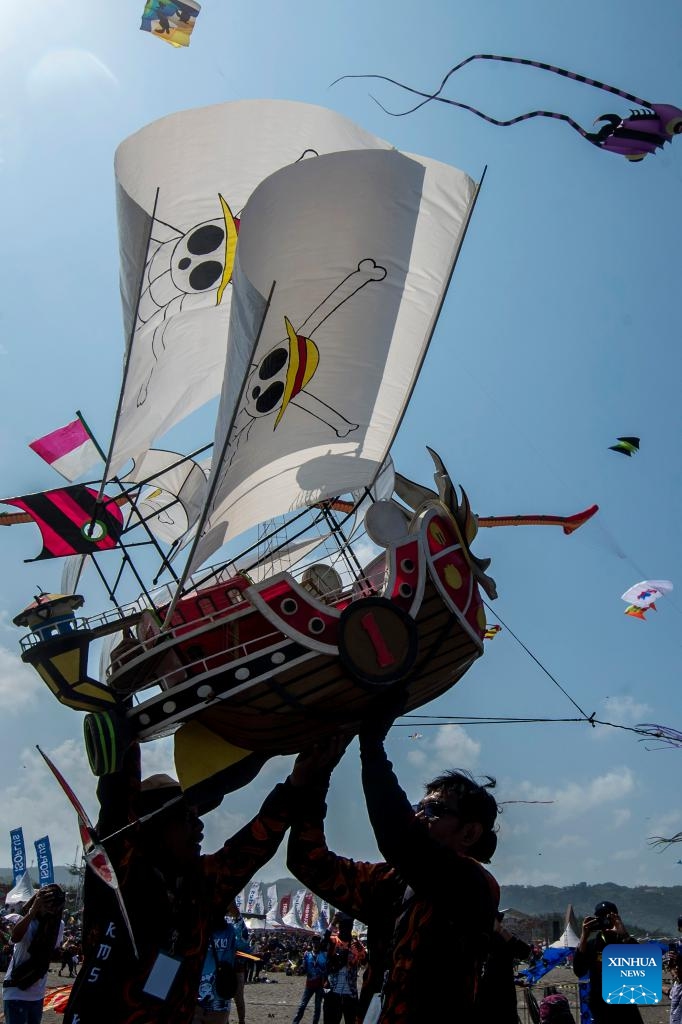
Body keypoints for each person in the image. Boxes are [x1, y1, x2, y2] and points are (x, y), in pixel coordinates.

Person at [63, 741, 319, 1024]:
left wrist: (297, 783)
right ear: (151, 825)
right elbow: (116, 800)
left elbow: (249, 848)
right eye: (186, 817)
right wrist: (122, 717)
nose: (199, 827)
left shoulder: (197, 887)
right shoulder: (116, 873)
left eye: (197, 817)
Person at [287, 723, 500, 1024]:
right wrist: (313, 779)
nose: (418, 816)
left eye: (434, 810)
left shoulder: (474, 886)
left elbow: (400, 838)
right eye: (418, 807)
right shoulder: (391, 881)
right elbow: (307, 861)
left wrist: (372, 748)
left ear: (469, 833)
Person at [3, 884, 66, 1024]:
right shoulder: (26, 921)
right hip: (16, 991)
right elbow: (15, 937)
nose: (50, 908)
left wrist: (63, 952)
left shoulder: (58, 925)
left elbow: (53, 953)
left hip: (37, 994)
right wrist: (32, 911)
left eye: (54, 905)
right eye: (46, 904)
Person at [572, 900, 643, 1023]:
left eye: (609, 917)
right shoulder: (592, 945)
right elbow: (579, 970)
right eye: (601, 917)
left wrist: (623, 934)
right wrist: (584, 936)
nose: (605, 921)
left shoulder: (624, 943)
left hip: (625, 1005)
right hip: (600, 1005)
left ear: (617, 918)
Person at [474, 910, 532, 1022]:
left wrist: (501, 930)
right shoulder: (476, 940)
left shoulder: (503, 939)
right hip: (482, 1004)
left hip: (504, 1004)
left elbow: (525, 952)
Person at [320, 914, 365, 1024]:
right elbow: (322, 944)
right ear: (339, 928)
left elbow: (365, 961)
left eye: (348, 927)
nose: (345, 930)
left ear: (351, 928)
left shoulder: (356, 944)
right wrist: (332, 923)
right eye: (342, 927)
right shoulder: (333, 940)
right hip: (332, 993)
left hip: (350, 994)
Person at [194, 915, 238, 1024]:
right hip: (220, 994)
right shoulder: (231, 931)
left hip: (199, 996)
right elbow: (245, 945)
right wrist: (236, 914)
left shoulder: (198, 931)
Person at [291, 935, 327, 1024]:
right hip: (309, 984)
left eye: (317, 941)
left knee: (317, 1007)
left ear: (320, 943)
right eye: (314, 941)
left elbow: (327, 969)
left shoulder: (324, 955)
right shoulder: (307, 954)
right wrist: (298, 969)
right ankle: (295, 1022)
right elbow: (304, 968)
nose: (315, 943)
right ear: (312, 943)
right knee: (302, 1005)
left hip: (320, 985)